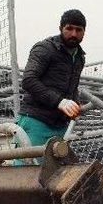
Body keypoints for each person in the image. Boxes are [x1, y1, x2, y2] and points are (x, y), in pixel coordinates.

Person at [18, 9, 86, 151]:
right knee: (28, 170)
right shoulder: (45, 48)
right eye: (69, 28)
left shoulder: (79, 57)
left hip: (59, 126)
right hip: (36, 120)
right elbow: (28, 80)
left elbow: (72, 87)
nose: (74, 34)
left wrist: (75, 103)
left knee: (55, 172)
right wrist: (59, 101)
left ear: (84, 32)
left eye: (79, 30)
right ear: (61, 28)